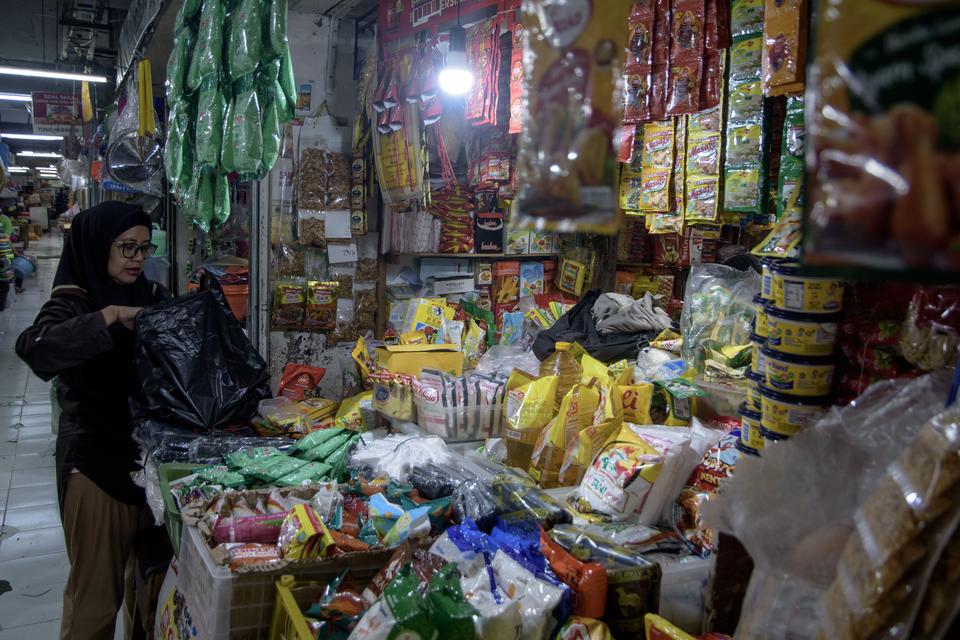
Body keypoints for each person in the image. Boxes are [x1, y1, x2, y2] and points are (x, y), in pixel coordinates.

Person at [16, 202, 169, 640]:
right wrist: (111, 316)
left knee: (147, 590)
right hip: (96, 468)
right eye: (127, 248)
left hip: (150, 468)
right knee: (96, 601)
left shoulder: (152, 295)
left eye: (145, 248)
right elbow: (37, 348)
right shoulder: (73, 300)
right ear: (99, 246)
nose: (137, 258)